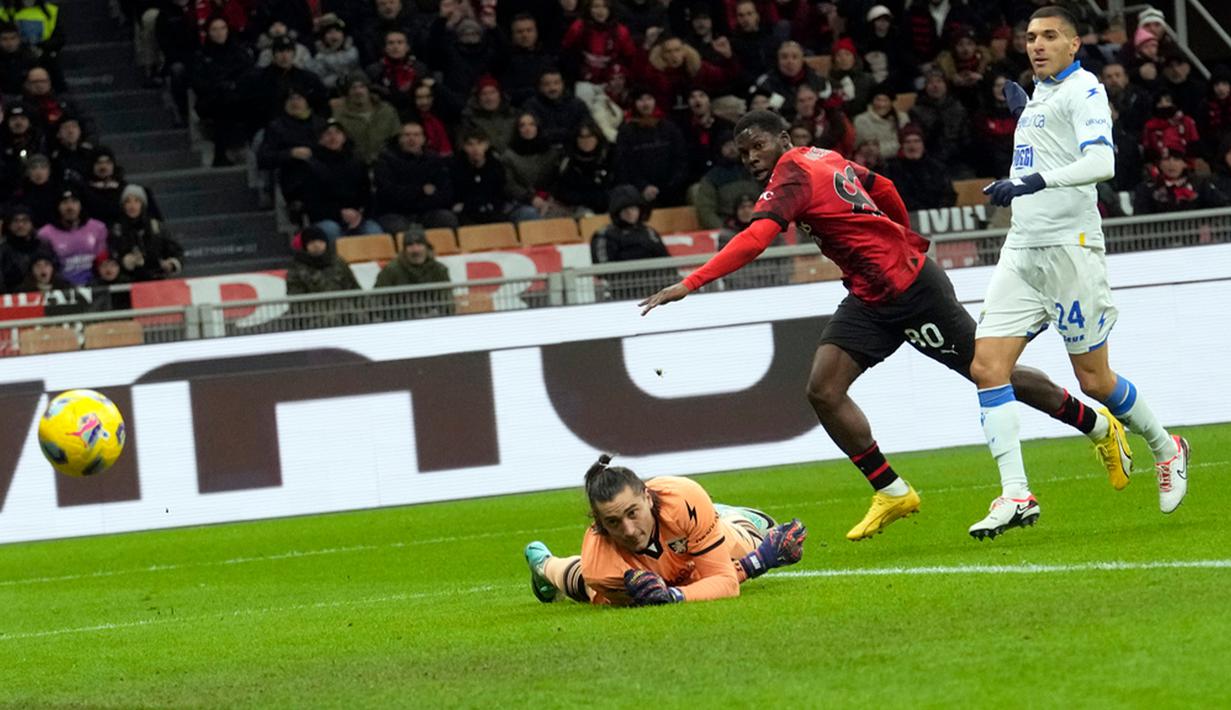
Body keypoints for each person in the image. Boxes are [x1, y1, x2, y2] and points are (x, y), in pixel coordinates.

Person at [639, 109, 1134, 542]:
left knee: (989, 372)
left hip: (912, 291)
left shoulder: (791, 175)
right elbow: (885, 188)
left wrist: (693, 282)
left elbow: (756, 238)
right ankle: (892, 491)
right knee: (824, 388)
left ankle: (1096, 425)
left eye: (757, 146)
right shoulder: (821, 156)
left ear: (783, 140)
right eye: (742, 151)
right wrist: (899, 232)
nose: (749, 157)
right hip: (871, 295)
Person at [971, 6, 1188, 539]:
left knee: (1094, 380)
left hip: (1071, 248)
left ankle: (1166, 446)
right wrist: (1028, 120)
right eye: (1029, 37)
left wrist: (1030, 182)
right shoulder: (1040, 94)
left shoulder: (1085, 90)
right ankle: (1016, 493)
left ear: (1074, 46)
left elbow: (1101, 164)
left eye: (1049, 37)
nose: (1037, 45)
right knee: (986, 367)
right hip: (1023, 249)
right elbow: (1043, 149)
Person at [523, 453, 808, 606]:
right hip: (649, 566)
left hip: (687, 522)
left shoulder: (682, 498)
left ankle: (720, 516)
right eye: (613, 522)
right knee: (582, 582)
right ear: (599, 524)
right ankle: (544, 566)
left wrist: (673, 596)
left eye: (633, 513)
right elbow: (675, 591)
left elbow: (724, 583)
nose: (630, 530)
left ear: (647, 497)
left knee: (759, 530)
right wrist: (759, 562)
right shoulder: (602, 566)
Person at [302, 119, 382, 239]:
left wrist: (359, 214)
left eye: (337, 133)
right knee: (332, 231)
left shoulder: (357, 162)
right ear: (320, 139)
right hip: (326, 218)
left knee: (374, 231)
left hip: (358, 217)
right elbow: (311, 202)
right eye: (328, 134)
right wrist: (339, 214)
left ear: (344, 137)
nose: (333, 137)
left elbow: (367, 195)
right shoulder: (311, 166)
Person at [372, 120, 458, 232]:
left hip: (427, 211)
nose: (411, 139)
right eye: (407, 135)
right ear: (399, 139)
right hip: (395, 213)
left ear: (423, 139)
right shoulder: (386, 160)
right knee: (398, 228)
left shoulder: (434, 159)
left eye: (416, 135)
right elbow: (389, 193)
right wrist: (421, 191)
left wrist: (418, 198)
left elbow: (445, 192)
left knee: (447, 219)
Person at [613, 89, 688, 207]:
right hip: (638, 192)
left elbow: (681, 159)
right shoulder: (626, 131)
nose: (645, 104)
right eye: (641, 100)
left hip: (671, 190)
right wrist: (643, 187)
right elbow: (624, 165)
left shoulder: (670, 128)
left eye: (649, 99)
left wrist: (669, 186)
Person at [107, 184, 184, 281]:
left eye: (136, 201)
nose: (132, 206)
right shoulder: (117, 230)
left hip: (157, 281)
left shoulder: (156, 226)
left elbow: (177, 252)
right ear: (123, 206)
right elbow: (111, 257)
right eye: (128, 201)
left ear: (143, 205)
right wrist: (124, 262)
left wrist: (171, 264)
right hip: (128, 282)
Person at [373, 227, 452, 318]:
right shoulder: (391, 270)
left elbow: (447, 303)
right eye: (410, 246)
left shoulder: (439, 269)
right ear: (404, 250)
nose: (416, 250)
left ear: (426, 247)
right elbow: (376, 303)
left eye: (419, 244)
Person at [36, 188, 108, 286]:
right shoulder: (45, 233)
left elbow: (103, 260)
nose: (70, 207)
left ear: (80, 205)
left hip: (96, 286)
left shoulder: (98, 228)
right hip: (61, 288)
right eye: (65, 203)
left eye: (74, 202)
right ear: (58, 206)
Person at [329, 74, 401, 165]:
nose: (358, 91)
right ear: (347, 92)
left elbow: (397, 138)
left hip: (386, 164)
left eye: (362, 87)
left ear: (368, 89)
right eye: (353, 88)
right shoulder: (339, 116)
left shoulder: (387, 111)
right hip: (354, 166)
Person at [553, 118, 615, 215]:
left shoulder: (609, 155)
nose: (586, 141)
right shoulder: (568, 160)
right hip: (579, 207)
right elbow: (561, 191)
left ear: (597, 137)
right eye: (581, 137)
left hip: (609, 204)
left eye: (589, 136)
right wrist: (587, 199)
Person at [285, 226, 363, 298]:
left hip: (342, 309)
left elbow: (354, 290)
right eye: (312, 242)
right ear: (305, 246)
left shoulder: (338, 262)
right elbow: (296, 298)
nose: (317, 245)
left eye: (320, 241)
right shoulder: (297, 267)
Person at [0, 203, 49, 291]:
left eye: (25, 220)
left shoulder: (43, 247)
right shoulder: (3, 251)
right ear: (9, 225)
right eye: (15, 221)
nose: (20, 225)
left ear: (32, 223)